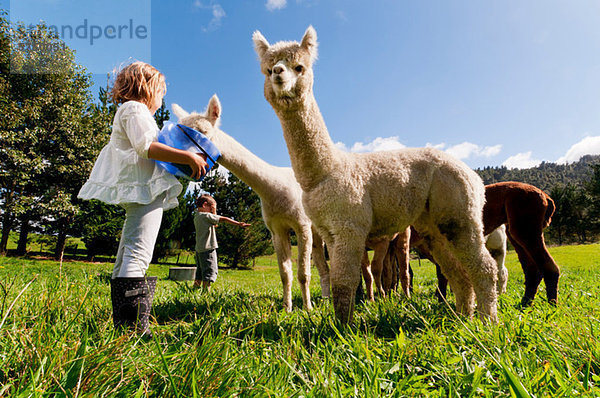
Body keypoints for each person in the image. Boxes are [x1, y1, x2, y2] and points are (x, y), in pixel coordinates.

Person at [78, 61, 208, 335]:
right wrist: (187, 156)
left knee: (127, 251)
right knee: (138, 253)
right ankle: (132, 329)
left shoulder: (129, 110)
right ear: (145, 87)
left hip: (140, 188)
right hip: (144, 190)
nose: (161, 98)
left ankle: (123, 323)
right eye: (160, 91)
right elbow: (146, 147)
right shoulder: (135, 108)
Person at [194, 194, 251, 291]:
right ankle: (205, 293)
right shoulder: (206, 216)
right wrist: (238, 224)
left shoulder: (197, 215)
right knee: (208, 272)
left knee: (200, 272)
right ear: (204, 205)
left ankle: (194, 290)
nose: (212, 210)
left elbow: (214, 224)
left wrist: (213, 209)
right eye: (211, 207)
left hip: (199, 249)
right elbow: (223, 219)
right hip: (208, 248)